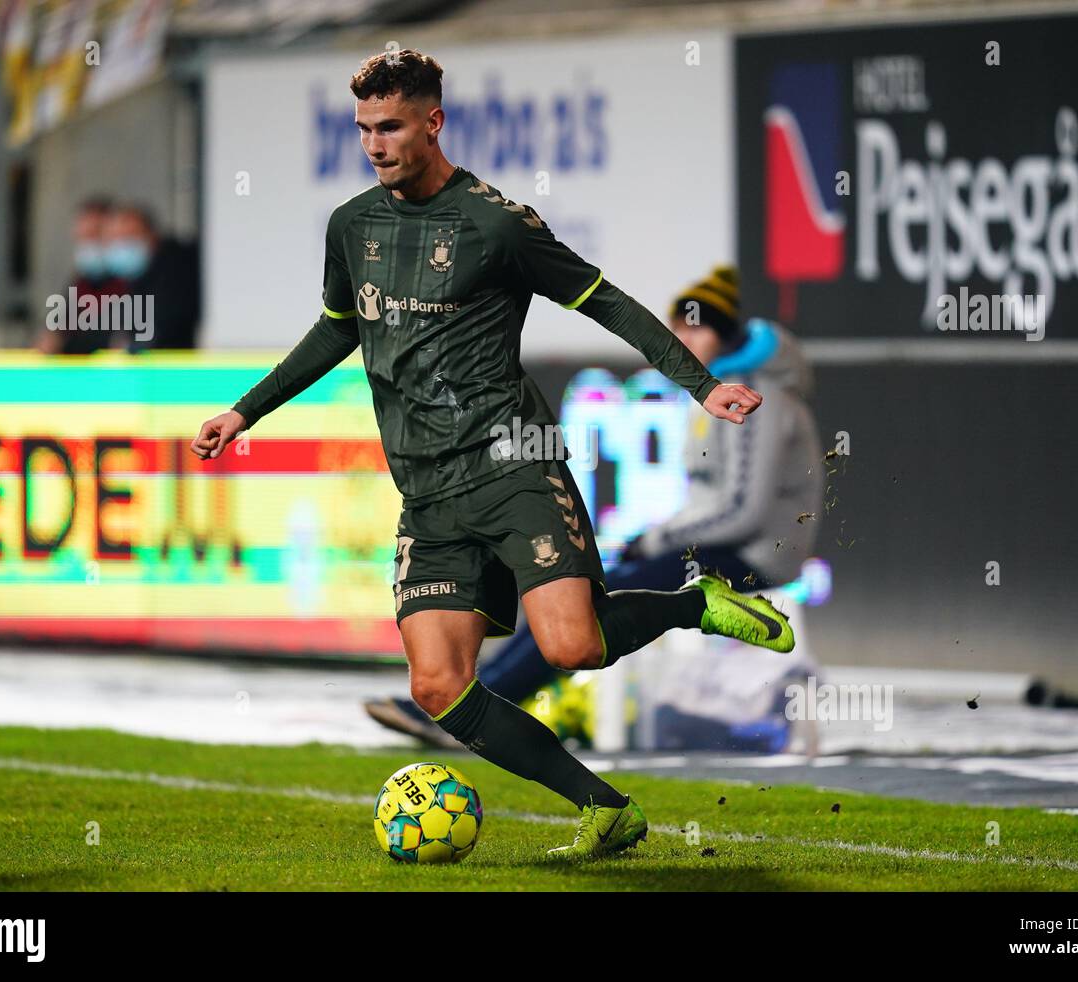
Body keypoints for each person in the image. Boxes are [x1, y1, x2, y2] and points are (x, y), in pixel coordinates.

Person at [190, 50, 794, 861]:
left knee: (572, 647)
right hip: (428, 492)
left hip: (513, 466)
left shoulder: (496, 224)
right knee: (437, 685)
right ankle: (605, 808)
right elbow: (340, 326)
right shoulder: (352, 226)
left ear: (433, 122)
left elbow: (604, 299)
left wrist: (700, 384)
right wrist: (245, 410)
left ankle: (696, 602)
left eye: (391, 125)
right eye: (364, 127)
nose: (374, 143)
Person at [363, 267, 823, 750]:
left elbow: (742, 513)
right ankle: (471, 702)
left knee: (593, 598)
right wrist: (658, 538)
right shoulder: (725, 388)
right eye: (678, 328)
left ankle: (473, 712)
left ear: (722, 332)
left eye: (693, 327)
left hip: (754, 558)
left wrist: (657, 539)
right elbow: (714, 504)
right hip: (722, 548)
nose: (682, 338)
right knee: (574, 586)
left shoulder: (756, 397)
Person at [103, 203, 200, 350]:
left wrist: (131, 345)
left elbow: (166, 326)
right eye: (116, 239)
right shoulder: (133, 277)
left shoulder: (177, 267)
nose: (122, 246)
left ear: (151, 235)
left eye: (130, 238)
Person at [37, 196, 124, 354]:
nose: (88, 244)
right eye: (82, 237)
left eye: (95, 234)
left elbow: (117, 341)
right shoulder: (82, 282)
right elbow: (52, 336)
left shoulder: (132, 283)